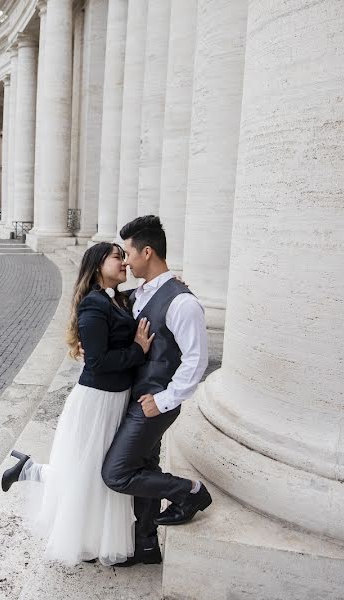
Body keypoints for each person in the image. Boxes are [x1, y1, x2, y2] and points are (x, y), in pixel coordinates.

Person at [2, 242, 153, 566]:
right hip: (96, 401)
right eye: (117, 257)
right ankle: (83, 537)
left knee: (95, 472)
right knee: (89, 473)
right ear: (99, 264)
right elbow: (97, 361)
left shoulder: (119, 299)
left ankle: (29, 471)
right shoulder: (93, 306)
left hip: (114, 399)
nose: (124, 262)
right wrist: (137, 351)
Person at [100, 215, 211, 567]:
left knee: (116, 473)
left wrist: (163, 401)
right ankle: (146, 544)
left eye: (129, 254)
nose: (126, 261)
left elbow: (196, 360)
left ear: (147, 252)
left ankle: (189, 492)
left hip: (153, 403)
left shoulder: (182, 303)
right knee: (144, 465)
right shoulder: (139, 294)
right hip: (135, 397)